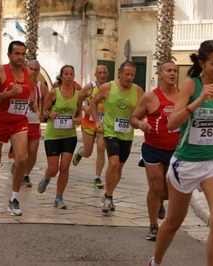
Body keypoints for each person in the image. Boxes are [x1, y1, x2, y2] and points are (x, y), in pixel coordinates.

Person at [147, 39, 213, 266]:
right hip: (186, 161)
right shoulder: (190, 85)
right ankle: (155, 262)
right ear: (202, 63)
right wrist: (198, 100)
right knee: (174, 222)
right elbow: (172, 123)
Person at [0, 40, 37, 216]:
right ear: (9, 55)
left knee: (21, 159)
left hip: (18, 122)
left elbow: (31, 90)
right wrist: (8, 94)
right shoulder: (1, 71)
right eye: (17, 54)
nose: (21, 57)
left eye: (23, 54)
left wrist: (33, 103)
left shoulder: (28, 72)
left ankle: (13, 198)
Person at [130, 61, 180, 241]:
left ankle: (160, 203)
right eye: (168, 71)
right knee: (156, 186)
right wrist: (140, 124)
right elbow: (134, 118)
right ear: (160, 74)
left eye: (175, 71)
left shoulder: (184, 97)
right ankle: (153, 226)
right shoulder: (150, 97)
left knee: (167, 192)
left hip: (176, 151)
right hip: (153, 148)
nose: (172, 73)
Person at [90, 61, 144, 213]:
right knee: (113, 163)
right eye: (126, 74)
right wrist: (96, 121)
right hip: (110, 131)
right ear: (119, 73)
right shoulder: (107, 87)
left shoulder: (138, 91)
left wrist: (140, 120)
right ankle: (108, 198)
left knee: (119, 167)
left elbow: (145, 108)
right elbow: (93, 103)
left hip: (127, 134)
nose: (129, 77)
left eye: (132, 75)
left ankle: (109, 194)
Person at [37, 65, 82, 209]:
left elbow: (79, 113)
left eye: (71, 74)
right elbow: (44, 111)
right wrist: (49, 114)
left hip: (69, 134)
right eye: (66, 74)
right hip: (53, 135)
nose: (69, 77)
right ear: (61, 76)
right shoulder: (54, 93)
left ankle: (58, 197)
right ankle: (46, 177)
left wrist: (79, 119)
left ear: (74, 77)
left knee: (65, 167)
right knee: (53, 169)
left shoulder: (78, 94)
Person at [72, 65, 109, 189]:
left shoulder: (111, 87)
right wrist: (83, 108)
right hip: (89, 122)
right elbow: (78, 98)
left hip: (103, 123)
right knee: (88, 152)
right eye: (100, 73)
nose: (102, 75)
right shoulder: (90, 87)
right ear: (95, 75)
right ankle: (81, 153)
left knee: (101, 148)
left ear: (107, 74)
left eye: (104, 72)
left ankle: (97, 177)